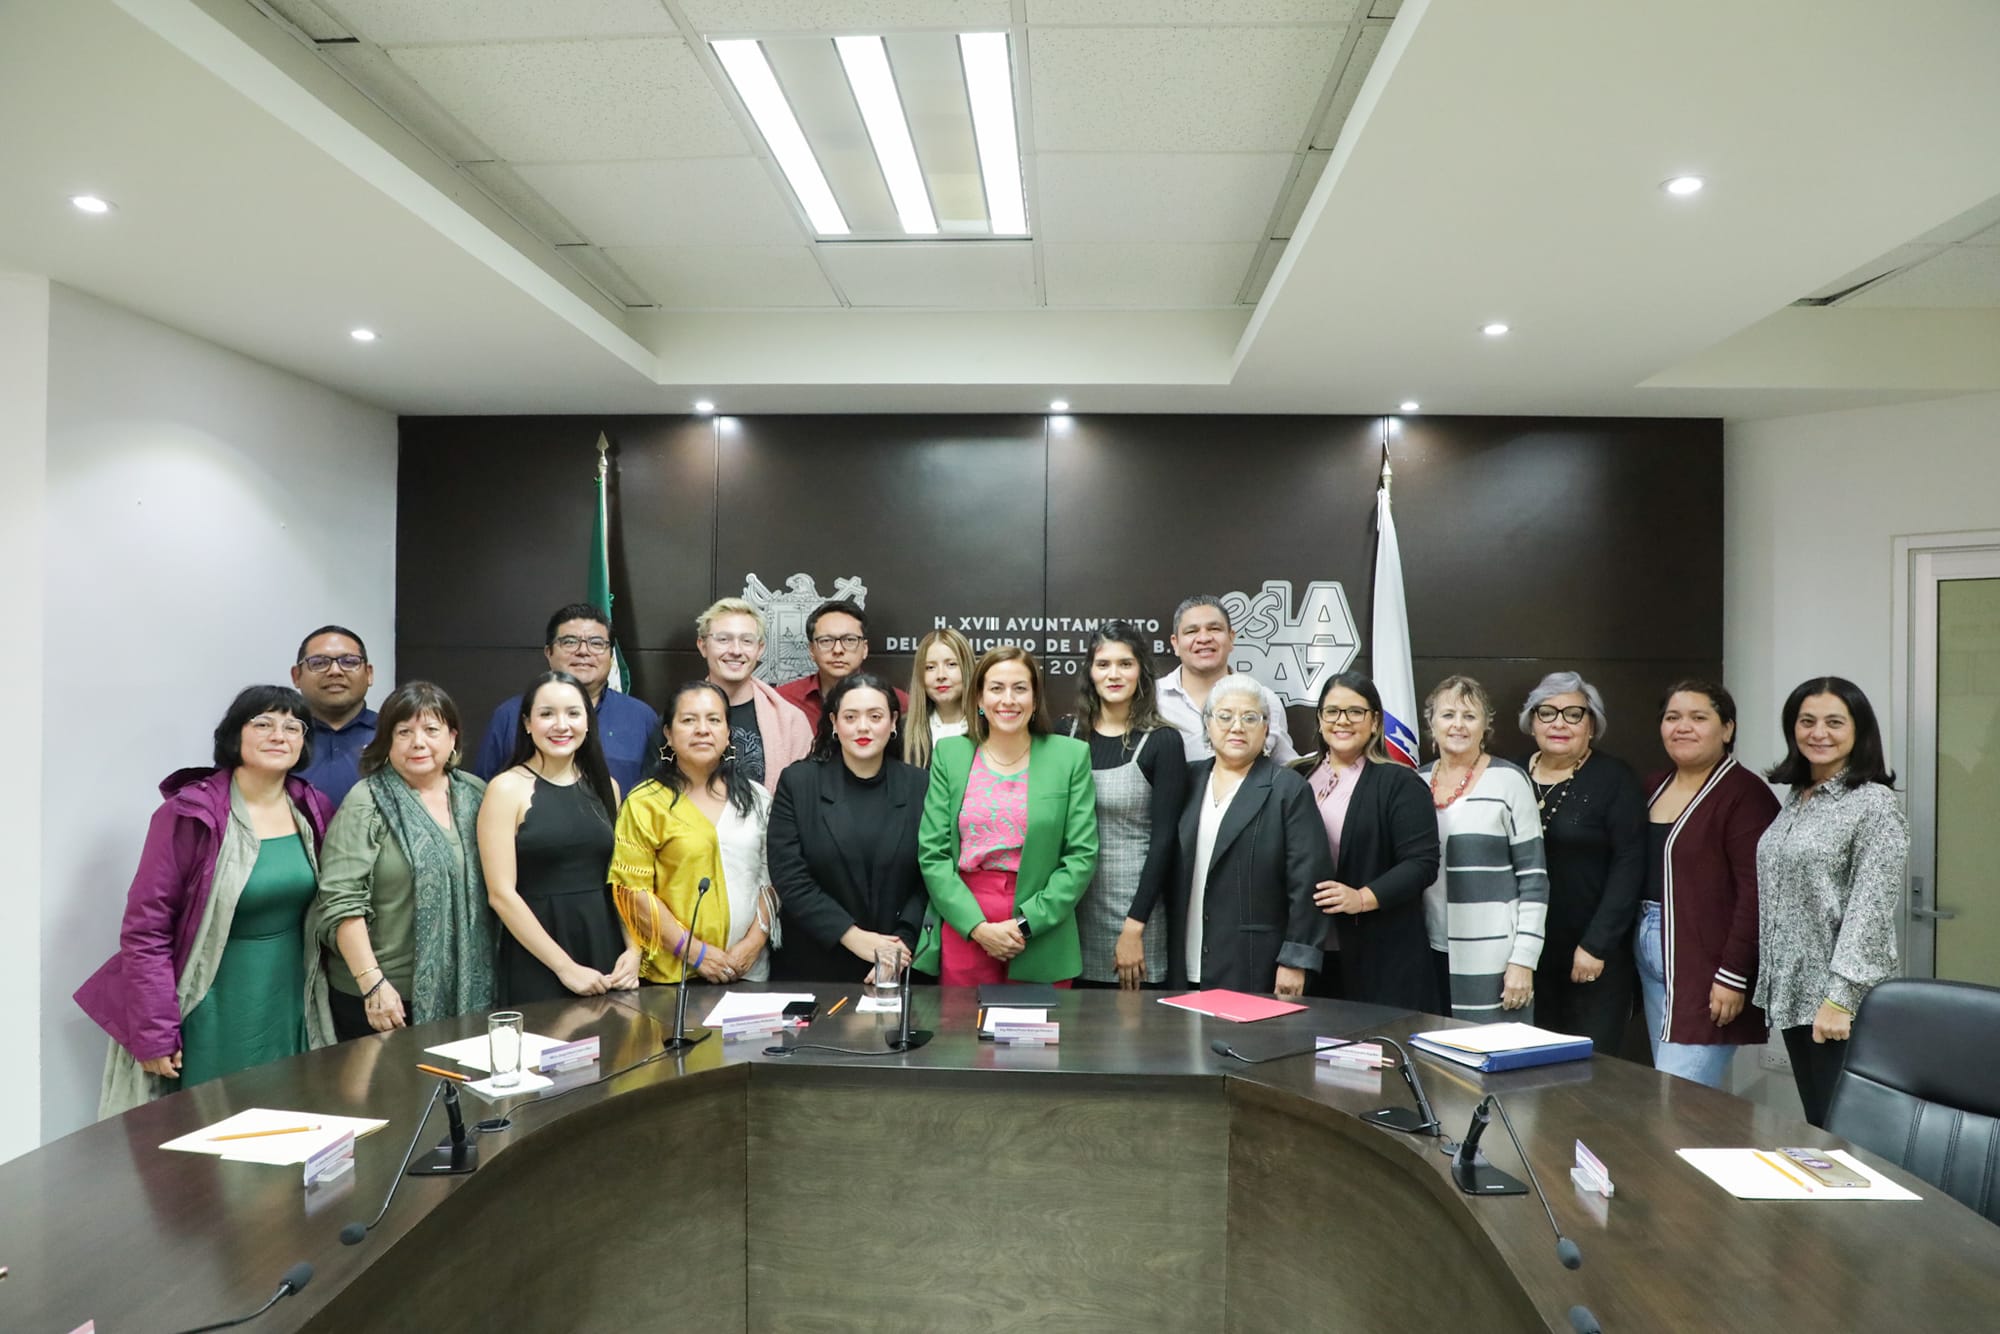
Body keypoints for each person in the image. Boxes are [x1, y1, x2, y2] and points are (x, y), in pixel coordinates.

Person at [76, 686, 337, 1116]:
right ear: (236, 735)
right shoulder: (190, 814)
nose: (280, 734)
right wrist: (155, 1031)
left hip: (293, 991)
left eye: (293, 726)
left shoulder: (311, 807)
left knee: (290, 1118)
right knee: (214, 1132)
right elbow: (146, 929)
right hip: (211, 996)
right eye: (264, 723)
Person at [1755, 677, 1910, 1128]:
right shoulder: (1798, 797)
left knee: (1849, 1134)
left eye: (1834, 722)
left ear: (1859, 732)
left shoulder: (1873, 805)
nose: (1818, 733)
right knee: (1821, 1123)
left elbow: (1870, 908)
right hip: (1795, 990)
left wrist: (1841, 998)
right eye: (1807, 722)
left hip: (1838, 998)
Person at [313, 681, 495, 1041]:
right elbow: (340, 900)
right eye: (404, 732)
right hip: (382, 997)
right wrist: (373, 984)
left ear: (452, 737)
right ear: (387, 740)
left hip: (466, 990)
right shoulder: (367, 801)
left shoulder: (477, 794)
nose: (418, 743)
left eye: (431, 730)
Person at [916, 646, 1098, 986]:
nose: (1008, 700)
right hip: (966, 922)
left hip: (1043, 927)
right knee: (960, 1036)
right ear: (980, 699)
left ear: (1035, 698)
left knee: (1035, 1037)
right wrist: (978, 928)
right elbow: (933, 854)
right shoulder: (950, 754)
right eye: (996, 688)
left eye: (1020, 688)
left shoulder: (1070, 756)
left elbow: (1081, 856)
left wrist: (1026, 924)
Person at [1639, 680, 1779, 1089]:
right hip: (1654, 957)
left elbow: (1757, 893)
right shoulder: (1653, 787)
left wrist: (1734, 974)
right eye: (1672, 717)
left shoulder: (1745, 795)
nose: (1683, 727)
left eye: (1699, 718)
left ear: (1728, 728)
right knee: (1670, 1088)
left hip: (1708, 963)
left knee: (1678, 1098)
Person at [477, 671, 638, 1004]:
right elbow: (501, 894)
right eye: (547, 714)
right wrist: (565, 967)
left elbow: (618, 881)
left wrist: (634, 950)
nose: (561, 725)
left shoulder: (607, 787)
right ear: (527, 723)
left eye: (573, 713)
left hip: (604, 943)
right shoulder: (505, 788)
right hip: (539, 955)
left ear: (588, 722)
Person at [1169, 674, 1328, 997]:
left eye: (1250, 717)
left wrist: (1296, 959)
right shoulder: (1186, 781)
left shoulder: (1288, 789)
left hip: (1255, 963)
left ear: (1267, 728)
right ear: (1208, 725)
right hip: (1182, 962)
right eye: (1225, 716)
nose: (1236, 726)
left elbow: (1308, 879)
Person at [610, 680, 778, 983]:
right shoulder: (645, 803)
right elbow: (633, 893)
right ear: (669, 735)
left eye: (714, 720)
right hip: (674, 978)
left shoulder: (757, 799)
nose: (703, 729)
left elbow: (772, 879)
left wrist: (752, 945)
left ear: (728, 733)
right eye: (688, 720)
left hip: (748, 971)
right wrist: (697, 953)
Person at [1292, 671, 1440, 1009]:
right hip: (1307, 955)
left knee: (1375, 1056)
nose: (1342, 721)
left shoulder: (1400, 782)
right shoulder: (1295, 777)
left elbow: (1422, 864)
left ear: (1375, 722)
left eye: (1355, 712)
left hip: (1379, 954)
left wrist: (1361, 897)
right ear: (1319, 719)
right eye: (1332, 711)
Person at [767, 673, 927, 982]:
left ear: (894, 722)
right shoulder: (799, 783)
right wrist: (853, 937)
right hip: (817, 963)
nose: (863, 727)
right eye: (850, 717)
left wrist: (901, 942)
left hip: (901, 963)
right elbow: (790, 875)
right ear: (834, 723)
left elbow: (930, 873)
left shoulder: (920, 785)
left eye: (875, 716)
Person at [1518, 672, 1646, 1054]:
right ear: (1531, 722)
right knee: (1528, 1071)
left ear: (1591, 726)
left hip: (1590, 956)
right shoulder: (1510, 776)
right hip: (1525, 956)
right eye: (1547, 712)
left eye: (1574, 714)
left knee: (1587, 1076)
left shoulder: (1614, 778)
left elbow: (1630, 864)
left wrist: (1597, 944)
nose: (1559, 722)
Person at [1059, 624, 1187, 988]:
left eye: (1125, 664)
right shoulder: (1064, 735)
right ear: (1089, 672)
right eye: (1103, 664)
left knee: (1131, 1038)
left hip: (1134, 916)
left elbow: (1163, 842)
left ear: (1141, 671)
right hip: (1070, 914)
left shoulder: (1163, 742)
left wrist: (1134, 928)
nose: (1114, 674)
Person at [1420, 676, 1548, 1020]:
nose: (1458, 725)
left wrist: (1523, 960)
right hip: (1426, 951)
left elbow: (1534, 879)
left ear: (1486, 725)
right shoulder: (1414, 783)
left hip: (1493, 956)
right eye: (1447, 715)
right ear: (1431, 722)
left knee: (1489, 1060)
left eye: (1469, 716)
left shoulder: (1509, 781)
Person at [473, 603, 661, 797]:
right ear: (549, 652)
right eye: (570, 642)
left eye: (596, 643)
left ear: (611, 656)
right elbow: (482, 793)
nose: (583, 651)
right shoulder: (510, 716)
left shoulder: (642, 717)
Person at [1156, 594, 1300, 764]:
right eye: (1192, 631)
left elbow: (1285, 769)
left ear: (1231, 638)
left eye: (1214, 629)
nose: (1204, 638)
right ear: (1175, 643)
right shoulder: (1152, 699)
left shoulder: (1266, 700)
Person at [696, 597, 813, 793]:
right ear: (702, 646)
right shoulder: (677, 717)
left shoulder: (791, 722)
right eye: (723, 639)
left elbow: (805, 799)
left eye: (747, 641)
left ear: (760, 650)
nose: (735, 650)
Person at [775, 598, 908, 731]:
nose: (838, 650)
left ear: (865, 649)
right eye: (826, 641)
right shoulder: (783, 700)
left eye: (849, 640)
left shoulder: (897, 702)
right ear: (811, 650)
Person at [291, 625, 377, 806]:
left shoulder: (394, 735)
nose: (335, 671)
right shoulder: (275, 739)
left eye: (350, 661)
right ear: (297, 676)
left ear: (368, 674)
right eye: (319, 663)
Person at [903, 627, 977, 769]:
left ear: (967, 668)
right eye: (930, 667)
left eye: (951, 664)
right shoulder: (903, 732)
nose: (941, 675)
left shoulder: (989, 726)